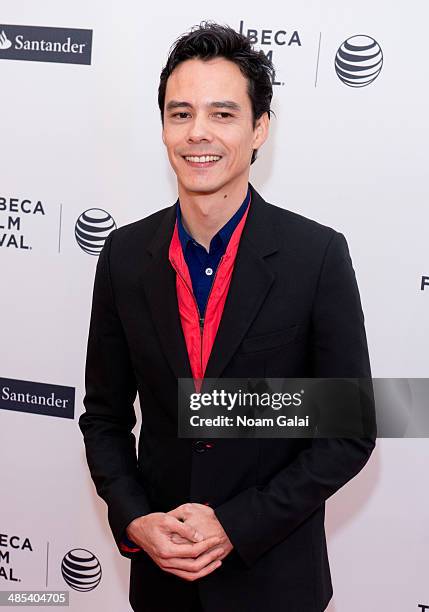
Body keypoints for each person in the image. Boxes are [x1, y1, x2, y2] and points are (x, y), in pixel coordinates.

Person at [79, 21, 376, 612]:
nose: (198, 134)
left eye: (222, 114)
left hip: (274, 581)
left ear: (258, 128)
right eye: (180, 113)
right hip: (164, 587)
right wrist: (135, 519)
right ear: (163, 126)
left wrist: (236, 524)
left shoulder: (315, 255)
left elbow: (348, 430)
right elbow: (105, 419)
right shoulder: (123, 257)